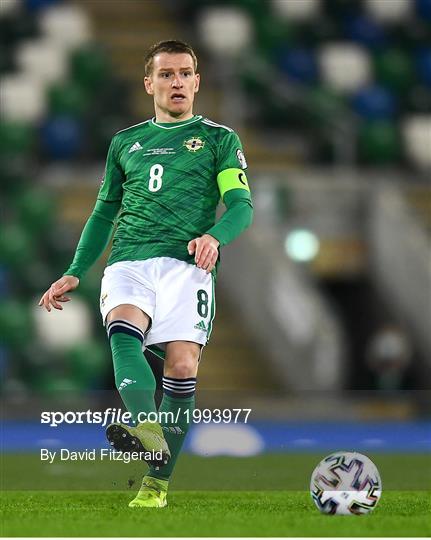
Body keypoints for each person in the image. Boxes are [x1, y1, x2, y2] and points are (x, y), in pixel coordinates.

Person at [39, 40, 253, 508]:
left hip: (187, 265)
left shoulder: (219, 140)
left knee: (181, 369)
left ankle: (156, 484)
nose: (176, 81)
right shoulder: (124, 143)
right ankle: (147, 426)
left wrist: (215, 237)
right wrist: (76, 270)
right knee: (124, 330)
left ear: (197, 82)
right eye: (166, 74)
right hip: (130, 260)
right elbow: (102, 215)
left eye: (185, 73)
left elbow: (240, 205)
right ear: (149, 83)